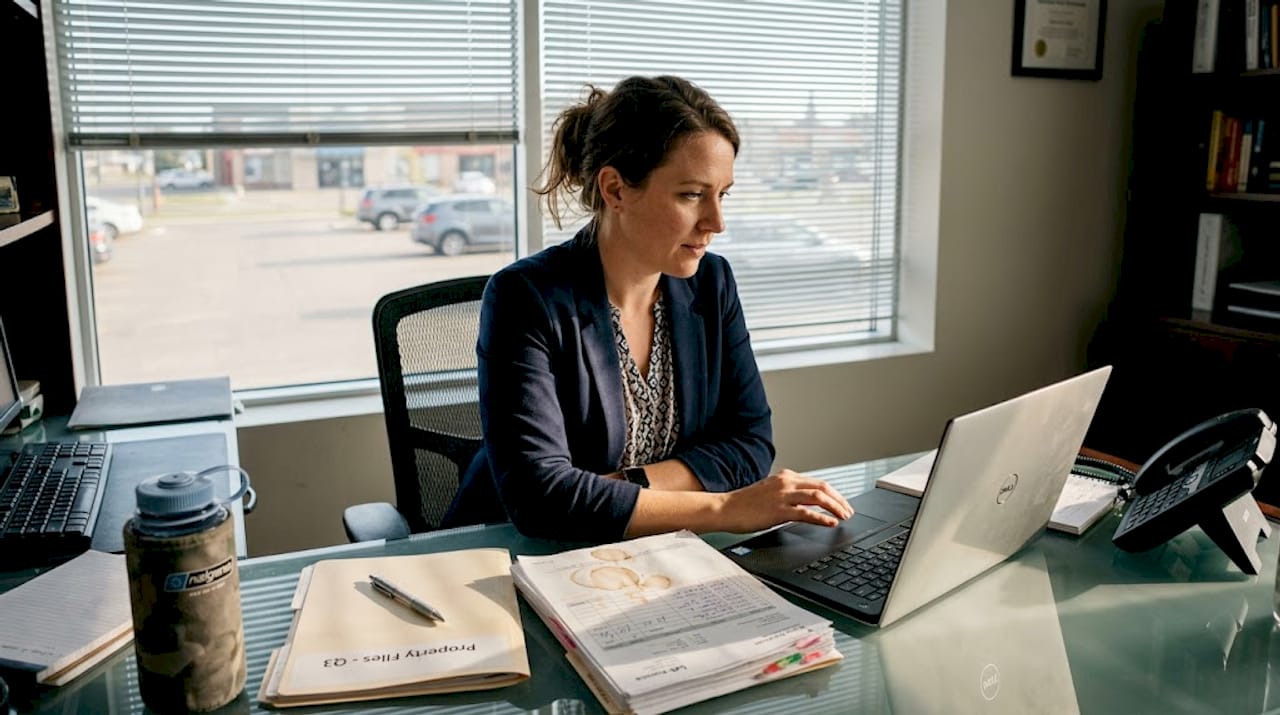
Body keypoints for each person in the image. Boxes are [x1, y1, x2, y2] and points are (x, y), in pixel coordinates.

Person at [445, 75, 853, 541]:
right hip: (516, 555)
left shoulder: (712, 283)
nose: (716, 222)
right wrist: (723, 507)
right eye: (692, 195)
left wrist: (625, 488)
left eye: (723, 195)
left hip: (651, 550)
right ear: (616, 190)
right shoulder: (525, 297)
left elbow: (750, 444)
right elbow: (540, 499)